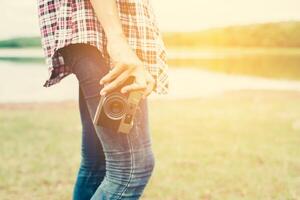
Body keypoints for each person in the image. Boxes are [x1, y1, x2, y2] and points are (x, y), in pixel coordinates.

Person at [37, 0, 168, 199]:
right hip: (100, 30)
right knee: (132, 168)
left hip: (92, 31)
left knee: (97, 163)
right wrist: (117, 40)